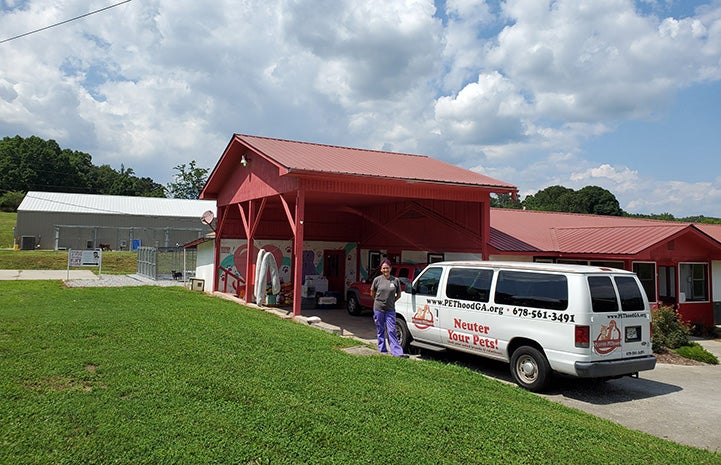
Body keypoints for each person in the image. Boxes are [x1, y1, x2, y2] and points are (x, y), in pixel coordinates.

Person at [370, 259, 407, 357]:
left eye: (387, 268)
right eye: (383, 268)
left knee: (392, 330)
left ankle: (397, 352)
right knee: (380, 329)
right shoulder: (377, 280)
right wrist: (378, 301)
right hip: (378, 309)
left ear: (390, 268)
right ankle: (382, 350)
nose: (385, 270)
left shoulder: (395, 280)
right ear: (381, 269)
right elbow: (372, 293)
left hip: (390, 310)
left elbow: (398, 295)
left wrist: (391, 301)